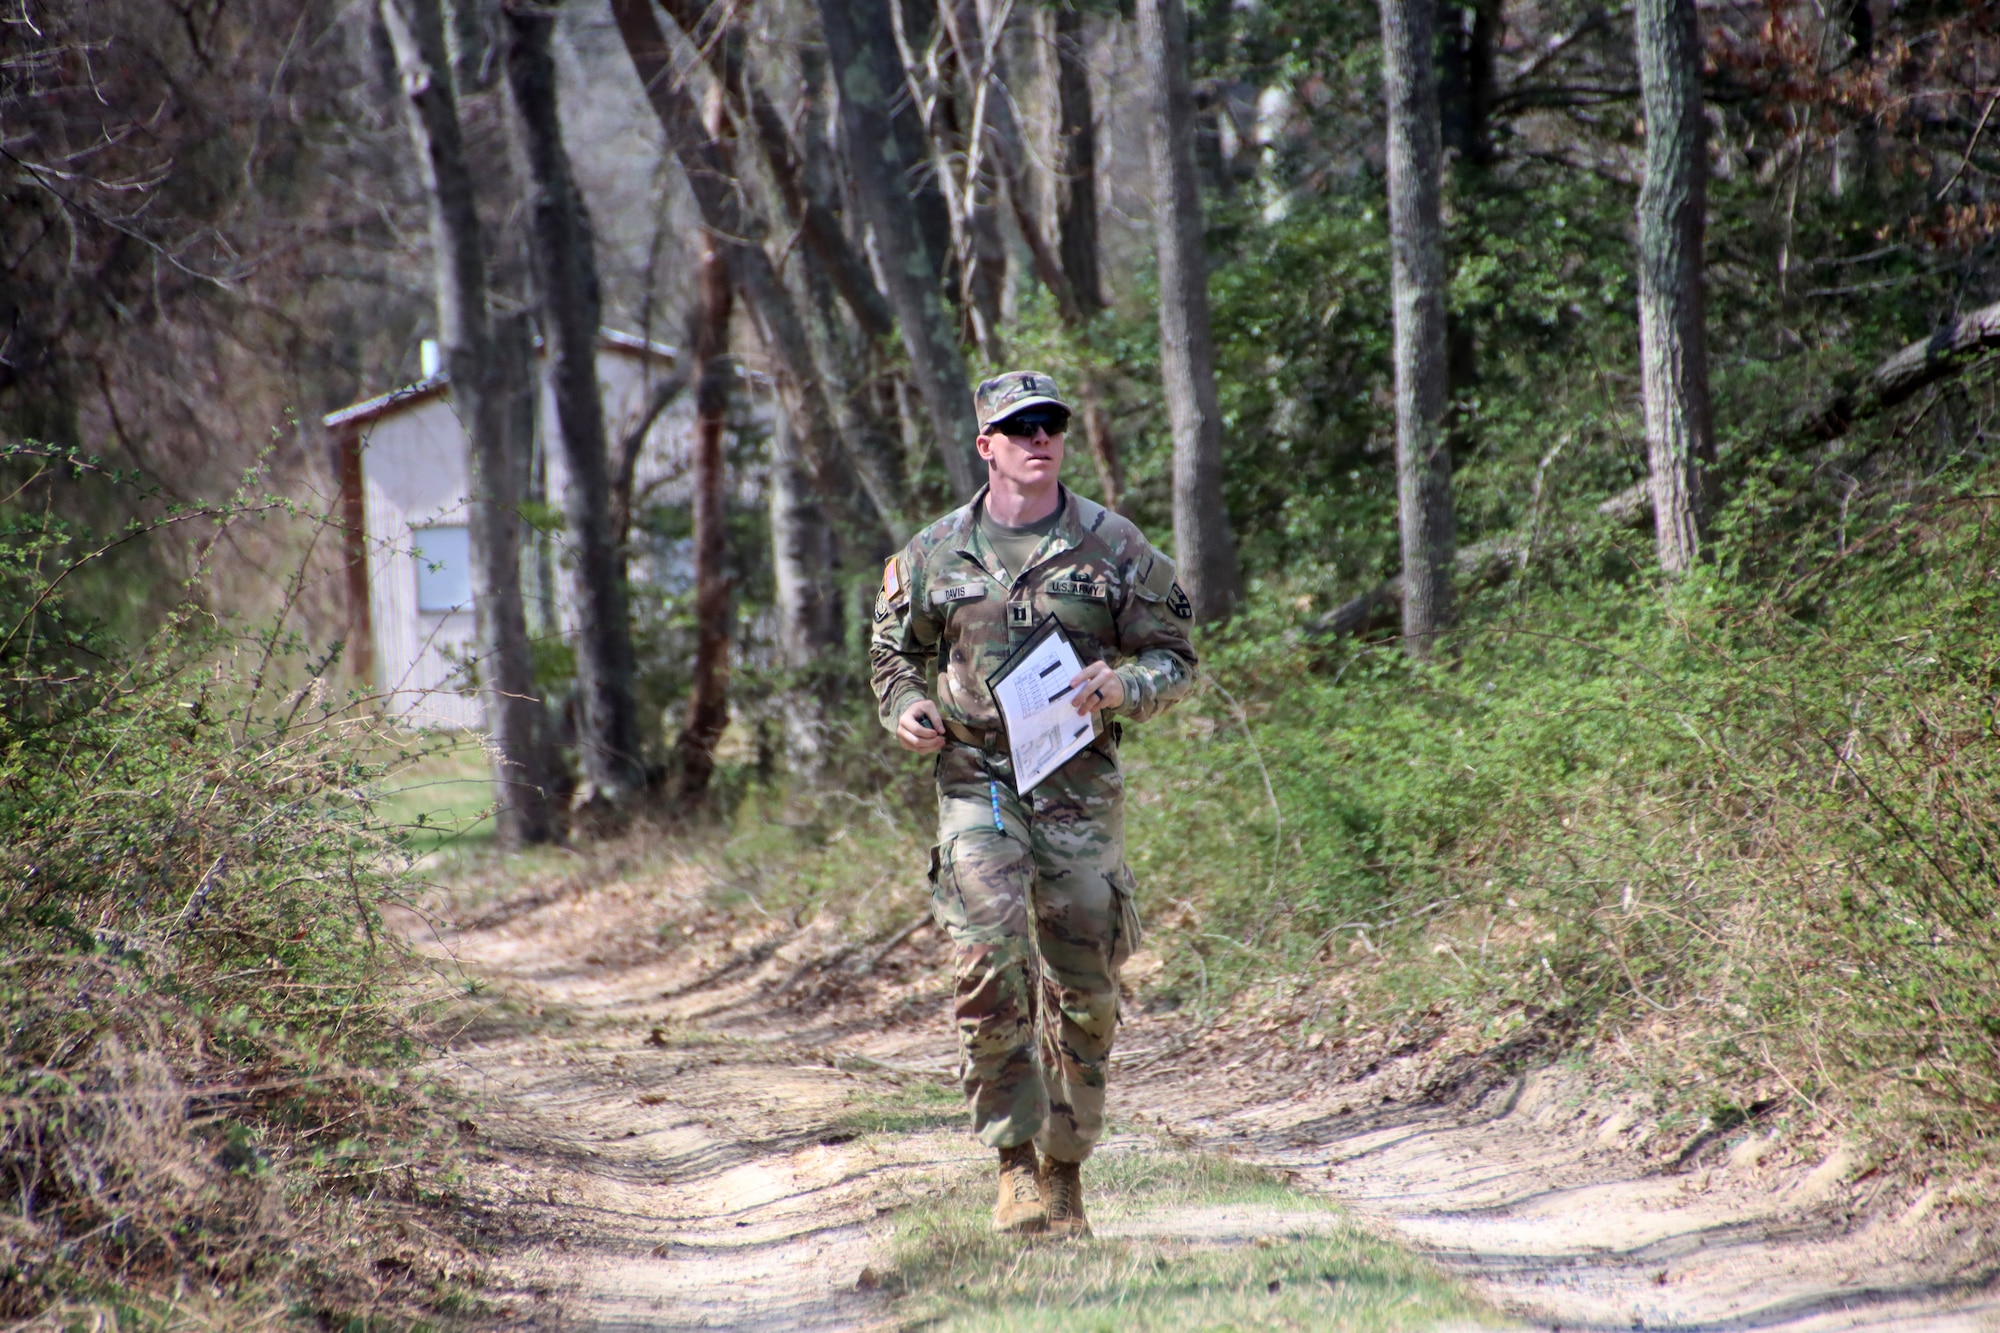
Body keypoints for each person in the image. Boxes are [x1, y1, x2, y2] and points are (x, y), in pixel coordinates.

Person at [870, 371, 1198, 1237]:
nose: (1040, 438)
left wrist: (1124, 684)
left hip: (1077, 784)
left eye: (1051, 423)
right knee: (987, 951)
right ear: (987, 445)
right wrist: (906, 705)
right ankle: (1013, 1160)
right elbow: (893, 652)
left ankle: (1065, 1167)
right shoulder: (936, 551)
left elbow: (1175, 655)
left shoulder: (1113, 544)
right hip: (977, 773)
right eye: (1020, 428)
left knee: (1085, 981)